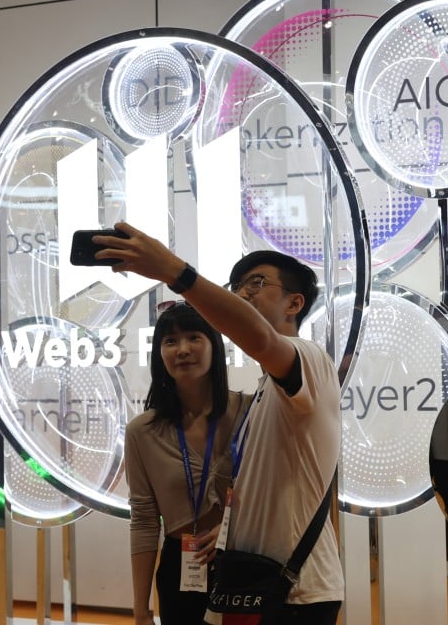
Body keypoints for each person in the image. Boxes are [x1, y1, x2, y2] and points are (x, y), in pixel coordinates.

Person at [97, 224, 344, 624]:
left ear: (294, 303)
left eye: (257, 282)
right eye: (237, 285)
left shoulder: (307, 358)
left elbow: (262, 340)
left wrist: (176, 272)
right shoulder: (265, 395)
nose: (243, 292)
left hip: (293, 589)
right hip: (248, 581)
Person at [125, 302, 247, 625]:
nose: (182, 350)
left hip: (243, 561)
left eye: (194, 337)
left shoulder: (250, 413)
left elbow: (275, 489)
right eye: (170, 341)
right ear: (159, 354)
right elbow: (144, 521)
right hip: (179, 571)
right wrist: (140, 610)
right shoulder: (142, 432)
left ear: (214, 346)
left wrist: (232, 528)